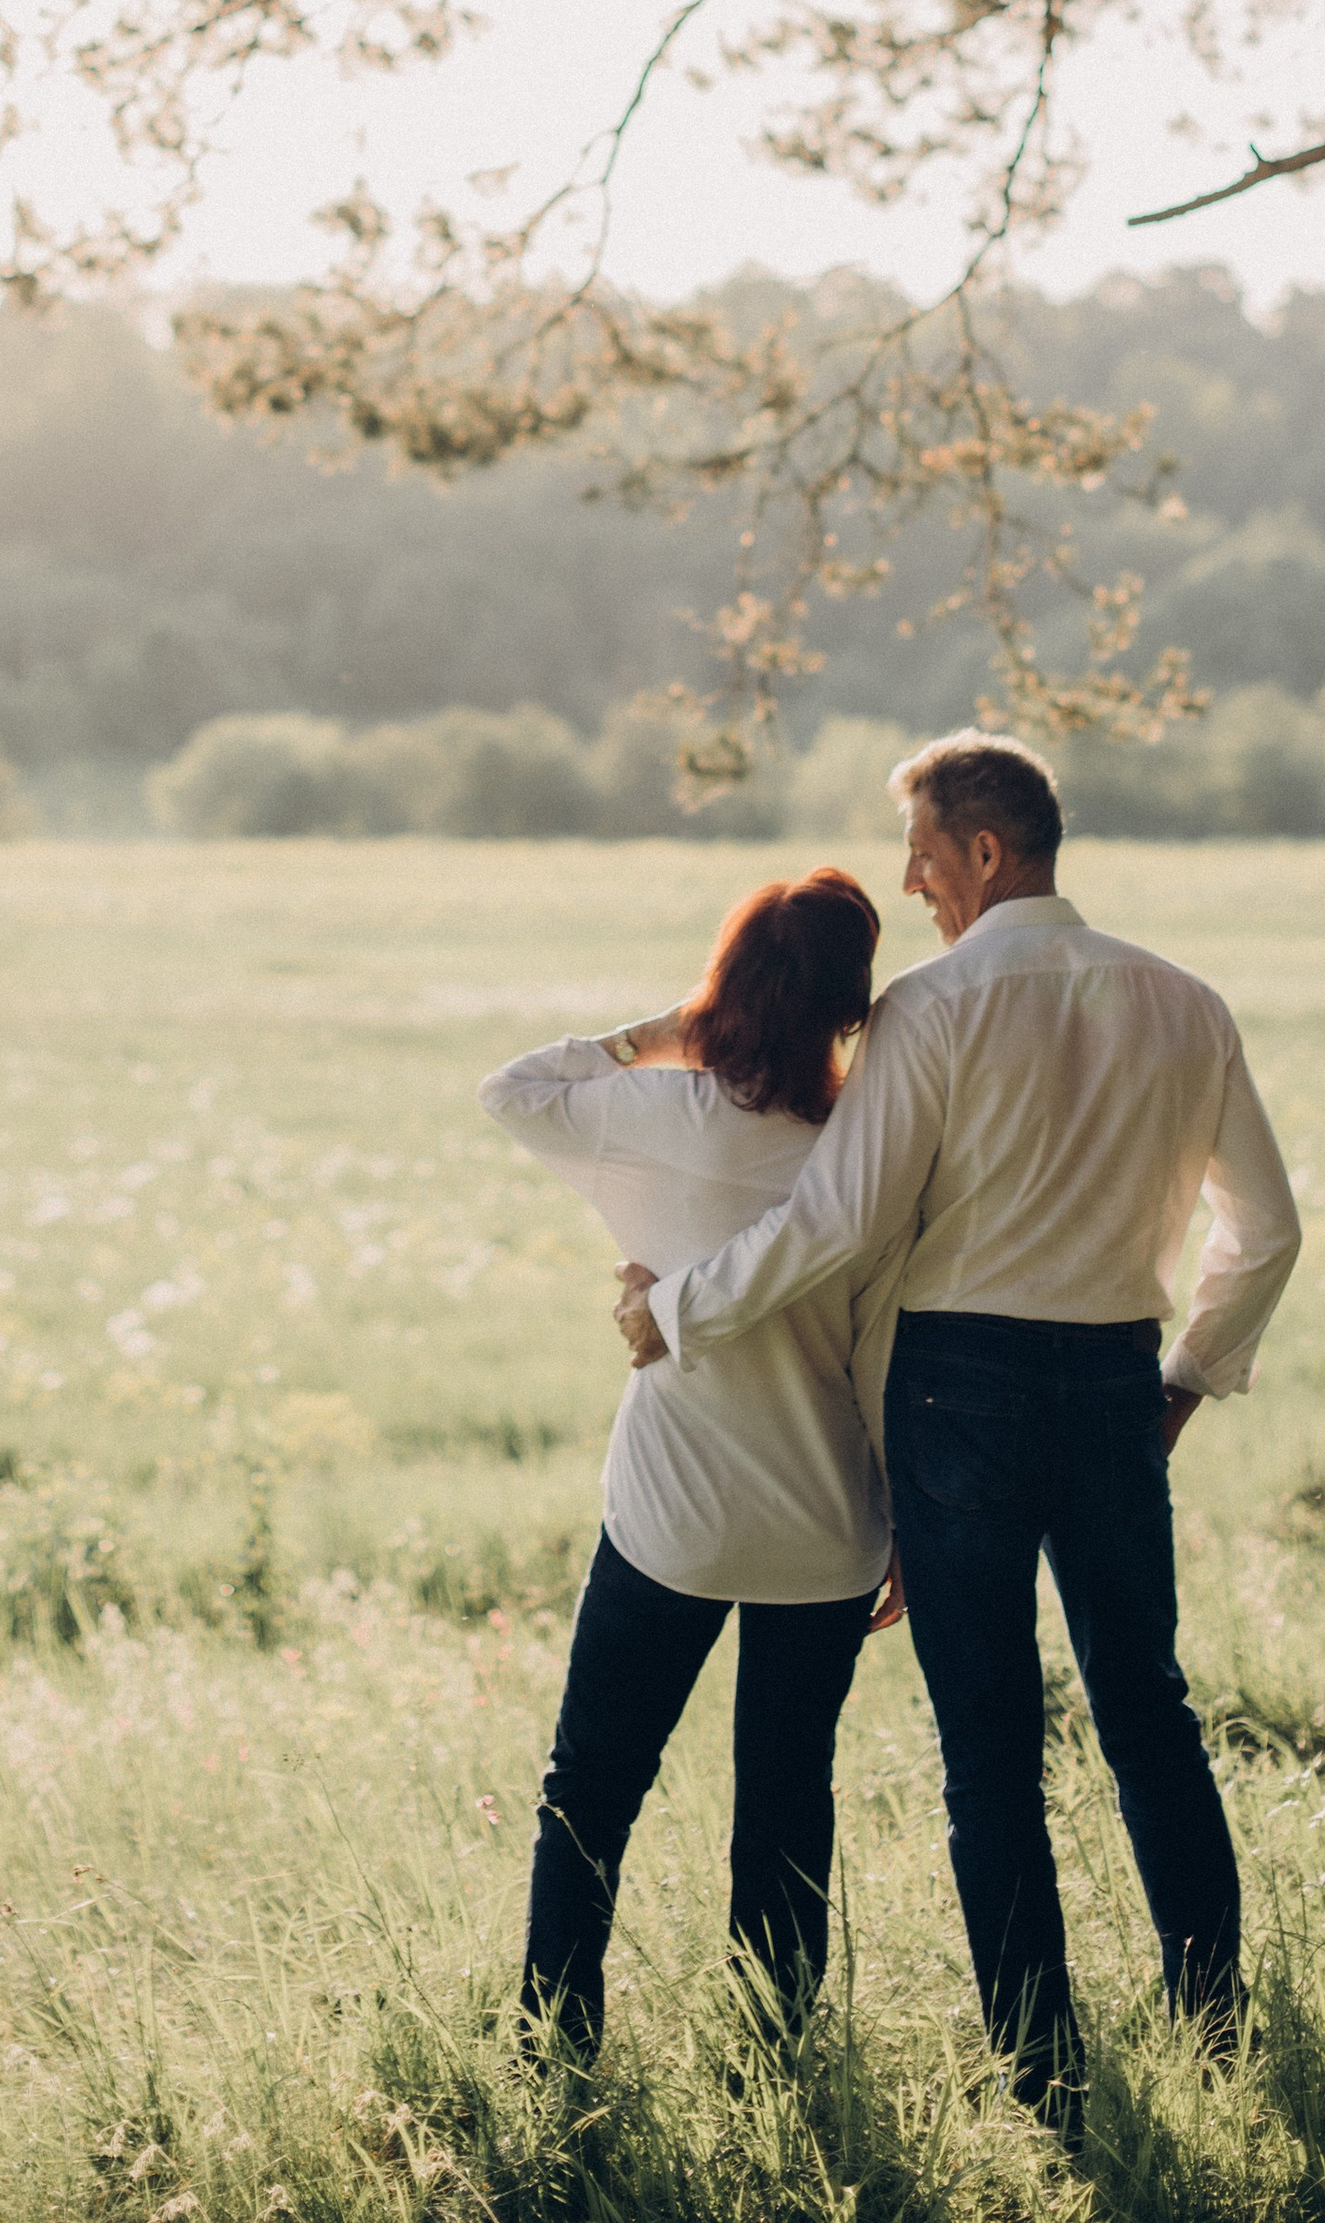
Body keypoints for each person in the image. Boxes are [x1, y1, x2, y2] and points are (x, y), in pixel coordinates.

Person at [616, 733, 1301, 2131]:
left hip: (957, 1392)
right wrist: (1181, 1383)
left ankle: (1044, 2075)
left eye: (923, 853)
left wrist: (678, 1309)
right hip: (1117, 1383)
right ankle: (1217, 2026)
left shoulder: (929, 1010)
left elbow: (840, 1224)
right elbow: (1269, 1233)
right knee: (1147, 1711)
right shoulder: (1185, 1002)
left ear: (987, 851)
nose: (912, 883)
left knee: (988, 1744)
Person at [478, 867, 906, 2059]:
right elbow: (880, 1359)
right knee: (783, 1802)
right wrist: (907, 1523)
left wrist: (663, 1031)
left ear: (729, 984)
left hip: (670, 1516)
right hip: (825, 1522)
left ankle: (554, 2038)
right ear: (847, 1007)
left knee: (593, 1787)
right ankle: (773, 2050)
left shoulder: (651, 1116)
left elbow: (508, 1089)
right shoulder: (865, 1161)